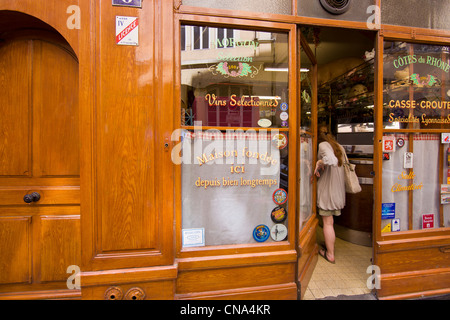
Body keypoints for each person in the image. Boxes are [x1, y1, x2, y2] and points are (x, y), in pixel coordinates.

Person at [314, 126, 346, 264]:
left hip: (328, 192)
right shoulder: (338, 146)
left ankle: (330, 254)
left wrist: (319, 162)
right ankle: (330, 250)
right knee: (330, 222)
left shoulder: (322, 145)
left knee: (327, 223)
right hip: (338, 191)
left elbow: (331, 161)